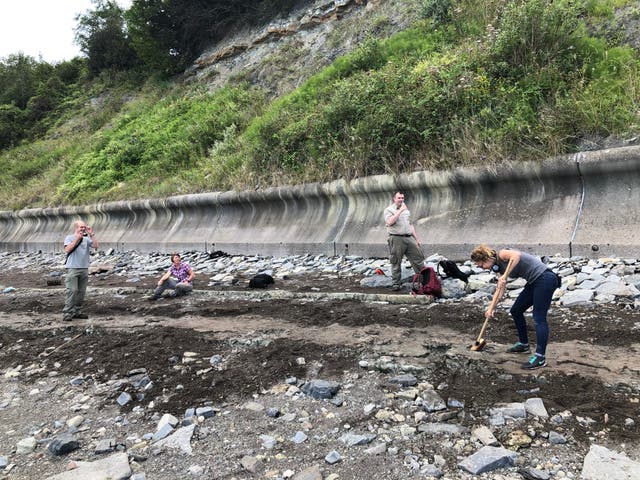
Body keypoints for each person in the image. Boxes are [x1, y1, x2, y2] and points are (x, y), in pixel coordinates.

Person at [470, 244, 560, 370]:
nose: (481, 268)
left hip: (545, 279)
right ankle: (524, 344)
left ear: (486, 259)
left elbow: (516, 255)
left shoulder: (502, 254)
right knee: (516, 311)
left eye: (481, 265)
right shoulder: (498, 269)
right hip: (534, 282)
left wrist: (505, 277)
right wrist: (491, 308)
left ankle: (540, 357)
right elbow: (500, 290)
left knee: (539, 318)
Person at [384, 191, 425, 291]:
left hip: (409, 237)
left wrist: (416, 239)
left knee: (418, 259)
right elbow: (389, 222)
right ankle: (396, 284)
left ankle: (424, 281)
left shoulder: (406, 210)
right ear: (394, 199)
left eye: (402, 198)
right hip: (396, 238)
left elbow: (410, 225)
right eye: (399, 198)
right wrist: (400, 210)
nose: (401, 200)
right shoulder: (389, 210)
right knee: (396, 261)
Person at [63, 220, 99, 321]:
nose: (83, 229)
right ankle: (67, 312)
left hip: (84, 268)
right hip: (72, 268)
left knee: (81, 292)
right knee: (72, 291)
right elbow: (67, 250)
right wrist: (77, 239)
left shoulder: (87, 239)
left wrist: (92, 234)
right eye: (81, 227)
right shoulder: (69, 238)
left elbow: (96, 246)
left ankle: (77, 311)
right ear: (76, 228)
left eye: (84, 227)